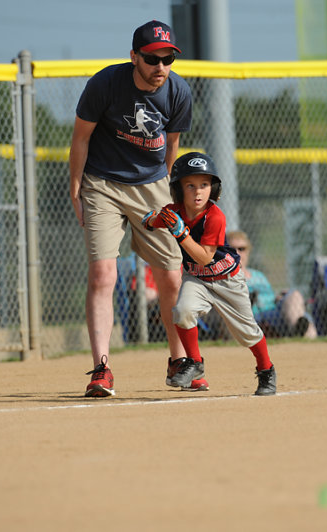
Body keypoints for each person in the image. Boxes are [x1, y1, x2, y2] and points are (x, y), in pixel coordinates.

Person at [69, 20, 207, 397]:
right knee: (103, 275)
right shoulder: (105, 84)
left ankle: (181, 362)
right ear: (134, 57)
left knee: (171, 278)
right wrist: (76, 188)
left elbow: (171, 146)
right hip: (102, 183)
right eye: (152, 58)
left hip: (152, 186)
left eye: (168, 59)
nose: (161, 66)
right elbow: (80, 137)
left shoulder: (178, 91)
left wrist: (169, 195)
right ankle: (101, 369)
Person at [141, 152, 277, 395]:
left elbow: (204, 257)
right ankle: (195, 363)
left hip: (227, 280)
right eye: (190, 185)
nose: (198, 192)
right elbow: (153, 221)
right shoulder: (176, 212)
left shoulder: (215, 217)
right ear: (179, 189)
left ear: (213, 189)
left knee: (246, 333)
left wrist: (181, 234)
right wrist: (151, 220)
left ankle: (266, 370)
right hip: (197, 279)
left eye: (204, 185)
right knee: (182, 311)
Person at [220, 230, 317, 339]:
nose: (237, 253)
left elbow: (271, 298)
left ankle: (299, 332)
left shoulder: (259, 276)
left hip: (274, 312)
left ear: (248, 251)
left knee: (294, 295)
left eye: (242, 249)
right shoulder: (223, 276)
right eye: (233, 249)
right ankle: (298, 335)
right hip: (251, 317)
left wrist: (279, 298)